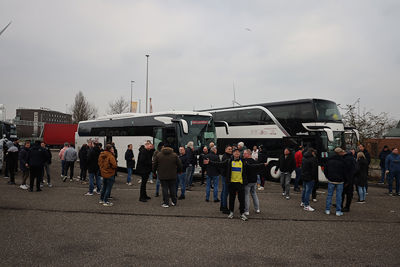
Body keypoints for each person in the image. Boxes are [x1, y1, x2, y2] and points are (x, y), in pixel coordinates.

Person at [204, 148, 267, 221]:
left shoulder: (243, 162)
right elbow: (219, 164)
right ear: (233, 154)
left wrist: (262, 165)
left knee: (242, 200)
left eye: (238, 152)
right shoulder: (229, 161)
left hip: (240, 183)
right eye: (235, 152)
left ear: (239, 154)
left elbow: (252, 167)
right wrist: (209, 162)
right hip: (232, 183)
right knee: (231, 199)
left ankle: (242, 213)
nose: (237, 153)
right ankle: (231, 212)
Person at [324, 147, 346, 216]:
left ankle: (327, 210)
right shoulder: (343, 161)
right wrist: (344, 179)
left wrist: (328, 177)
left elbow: (325, 170)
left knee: (329, 195)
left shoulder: (329, 160)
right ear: (339, 153)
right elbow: (345, 172)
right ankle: (338, 211)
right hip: (340, 181)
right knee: (339, 196)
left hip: (331, 180)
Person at [243, 149, 261, 215]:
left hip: (248, 181)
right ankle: (257, 209)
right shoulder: (255, 161)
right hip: (254, 181)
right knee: (254, 194)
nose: (243, 154)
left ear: (248, 154)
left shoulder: (245, 162)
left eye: (244, 153)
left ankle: (247, 210)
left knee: (246, 195)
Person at [219, 145, 232, 214]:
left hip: (225, 176)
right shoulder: (226, 157)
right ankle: (224, 207)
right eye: (229, 149)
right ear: (225, 150)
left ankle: (222, 206)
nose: (230, 150)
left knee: (224, 191)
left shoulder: (227, 156)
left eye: (231, 149)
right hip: (226, 176)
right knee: (225, 192)